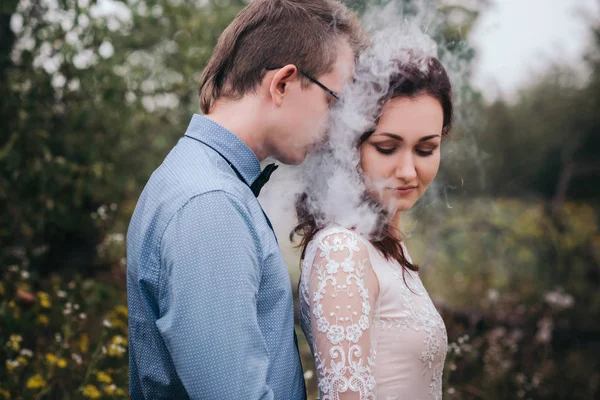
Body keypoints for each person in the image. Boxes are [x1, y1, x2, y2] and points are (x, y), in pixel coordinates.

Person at [126, 0, 365, 398]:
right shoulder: (210, 206)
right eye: (333, 101)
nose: (338, 125)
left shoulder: (202, 181)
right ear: (283, 83)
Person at [294, 54, 453, 399]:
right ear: (349, 147)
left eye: (426, 149)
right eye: (387, 148)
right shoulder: (343, 252)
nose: (408, 171)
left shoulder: (385, 246)